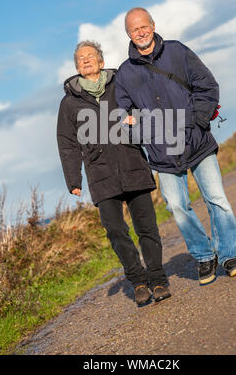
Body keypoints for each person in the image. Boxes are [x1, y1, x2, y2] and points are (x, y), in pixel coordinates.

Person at [115, 7, 236, 285]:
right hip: (162, 152)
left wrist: (197, 121)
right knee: (177, 206)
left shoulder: (177, 51)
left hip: (197, 141)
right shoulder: (125, 73)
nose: (140, 32)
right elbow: (122, 111)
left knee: (217, 200)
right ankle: (203, 256)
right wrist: (137, 126)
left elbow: (207, 85)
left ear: (152, 25)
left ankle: (229, 256)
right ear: (128, 34)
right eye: (133, 29)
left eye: (143, 26)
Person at [57, 40, 171, 305]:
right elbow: (67, 142)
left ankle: (158, 279)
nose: (85, 60)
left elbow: (144, 108)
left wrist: (138, 120)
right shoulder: (69, 102)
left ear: (100, 61)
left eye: (90, 56)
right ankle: (139, 281)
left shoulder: (120, 84)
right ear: (77, 67)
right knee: (116, 231)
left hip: (132, 162)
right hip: (100, 174)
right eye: (80, 58)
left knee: (147, 227)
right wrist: (74, 179)